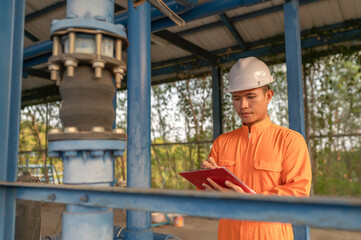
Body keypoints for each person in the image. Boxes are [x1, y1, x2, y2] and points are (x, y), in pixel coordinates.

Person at [201, 57, 312, 240]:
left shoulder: (290, 141)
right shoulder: (222, 142)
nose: (243, 105)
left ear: (268, 96)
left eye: (250, 96)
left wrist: (249, 199)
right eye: (237, 98)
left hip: (271, 235)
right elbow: (207, 200)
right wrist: (206, 178)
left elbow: (298, 193)